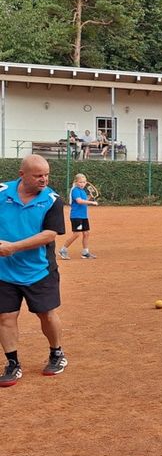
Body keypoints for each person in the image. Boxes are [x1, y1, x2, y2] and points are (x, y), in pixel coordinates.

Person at [0, 155, 68, 387]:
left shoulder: (52, 200)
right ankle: (12, 363)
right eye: (38, 175)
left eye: (46, 174)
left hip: (39, 269)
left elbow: (50, 234)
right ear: (22, 175)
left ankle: (56, 352)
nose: (44, 179)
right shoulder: (1, 192)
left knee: (46, 314)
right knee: (5, 317)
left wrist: (14, 247)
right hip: (4, 270)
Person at [59, 173, 99, 261]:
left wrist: (90, 198)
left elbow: (84, 200)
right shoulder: (75, 190)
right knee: (77, 234)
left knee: (86, 233)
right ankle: (63, 250)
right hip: (76, 216)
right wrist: (92, 203)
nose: (82, 184)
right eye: (80, 182)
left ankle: (85, 253)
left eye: (84, 182)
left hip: (84, 216)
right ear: (76, 182)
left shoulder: (83, 191)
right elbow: (79, 201)